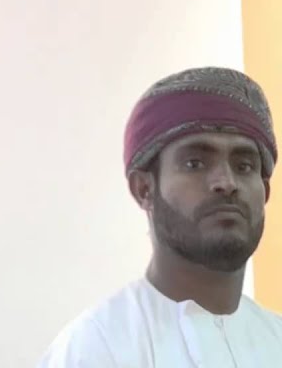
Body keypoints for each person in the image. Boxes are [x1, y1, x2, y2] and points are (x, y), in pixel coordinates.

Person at [38, 66, 282, 367]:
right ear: (144, 189)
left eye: (244, 166)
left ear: (265, 191)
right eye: (195, 163)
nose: (227, 182)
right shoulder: (95, 348)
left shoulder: (275, 338)